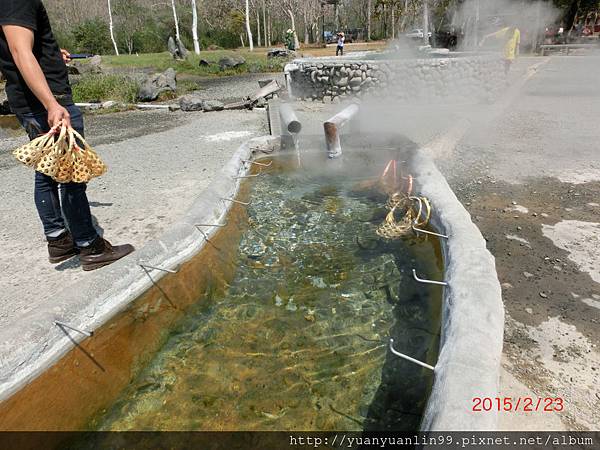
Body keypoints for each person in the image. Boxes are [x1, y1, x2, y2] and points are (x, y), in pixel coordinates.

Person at [0, 0, 134, 271]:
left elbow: (19, 47)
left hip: (32, 99)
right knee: (71, 174)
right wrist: (51, 104)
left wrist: (49, 55)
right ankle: (89, 244)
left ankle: (59, 241)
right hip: (46, 100)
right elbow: (18, 50)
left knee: (47, 171)